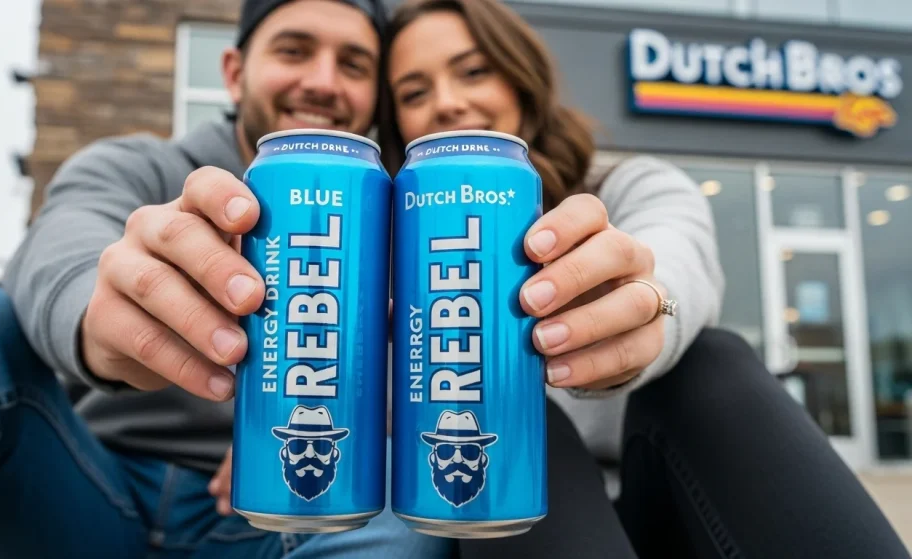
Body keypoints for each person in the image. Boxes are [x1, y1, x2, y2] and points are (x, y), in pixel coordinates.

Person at [0, 1, 458, 557]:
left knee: (406, 493)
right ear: (234, 74)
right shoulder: (136, 165)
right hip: (86, 486)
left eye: (354, 65)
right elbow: (61, 242)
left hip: (290, 514)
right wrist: (103, 314)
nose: (323, 81)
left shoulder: (411, 221)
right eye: (294, 50)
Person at [368, 0, 910, 557]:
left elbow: (678, 255)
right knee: (524, 412)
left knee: (712, 357)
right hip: (516, 523)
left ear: (520, 76)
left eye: (473, 70)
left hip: (672, 501)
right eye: (414, 92)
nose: (449, 102)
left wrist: (640, 306)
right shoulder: (376, 237)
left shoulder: (629, 184)